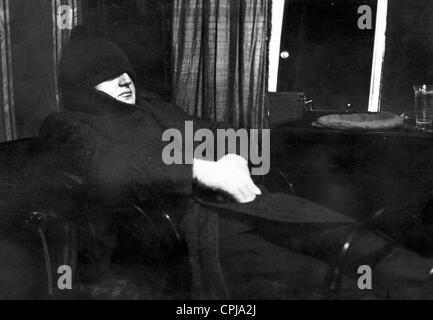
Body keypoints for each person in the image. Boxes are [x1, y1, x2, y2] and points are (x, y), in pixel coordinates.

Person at [39, 27, 433, 299]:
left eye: (125, 71)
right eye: (107, 77)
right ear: (80, 86)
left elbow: (219, 129)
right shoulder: (65, 125)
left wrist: (230, 154)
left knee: (351, 239)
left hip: (243, 207)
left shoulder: (155, 109)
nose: (124, 80)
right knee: (321, 281)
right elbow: (113, 165)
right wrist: (201, 168)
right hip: (184, 234)